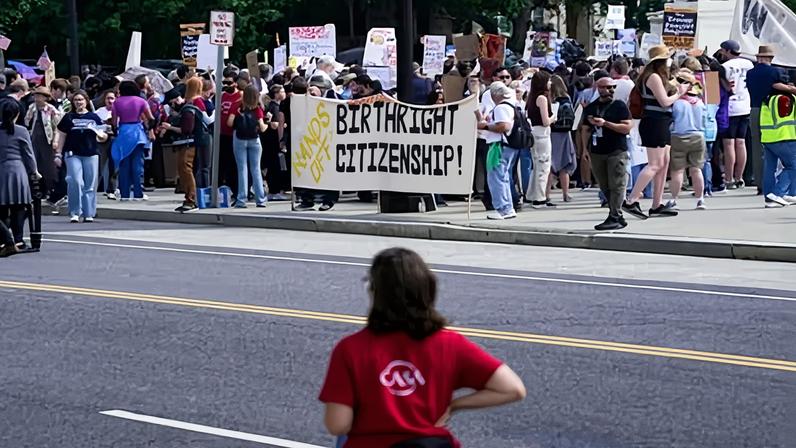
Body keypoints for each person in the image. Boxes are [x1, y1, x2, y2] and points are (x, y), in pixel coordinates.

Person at [319, 247, 525, 448]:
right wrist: (453, 405)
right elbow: (512, 389)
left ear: (376, 293)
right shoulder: (451, 344)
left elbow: (338, 424)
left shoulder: (351, 349)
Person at [624, 45, 689, 219]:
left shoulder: (659, 76)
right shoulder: (652, 77)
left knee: (664, 163)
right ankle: (631, 200)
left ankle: (656, 204)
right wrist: (680, 93)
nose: (670, 62)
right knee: (655, 164)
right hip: (654, 122)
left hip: (662, 122)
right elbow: (665, 101)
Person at [746, 44, 796, 194]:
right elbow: (780, 86)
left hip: (754, 110)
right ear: (771, 58)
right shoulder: (775, 72)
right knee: (779, 147)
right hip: (773, 111)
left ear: (758, 58)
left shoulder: (750, 73)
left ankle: (760, 184)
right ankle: (784, 187)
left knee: (759, 150)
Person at [584, 77, 633, 230]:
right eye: (607, 87)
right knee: (605, 186)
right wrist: (584, 150)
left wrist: (605, 124)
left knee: (617, 184)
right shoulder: (591, 107)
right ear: (598, 88)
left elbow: (626, 127)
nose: (611, 90)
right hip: (598, 150)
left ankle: (615, 216)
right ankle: (616, 215)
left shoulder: (619, 106)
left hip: (616, 150)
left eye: (613, 87)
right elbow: (584, 129)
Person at [55, 90, 108, 223]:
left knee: (89, 184)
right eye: (76, 100)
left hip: (91, 153)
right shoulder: (68, 117)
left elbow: (103, 135)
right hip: (73, 153)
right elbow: (62, 135)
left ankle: (88, 212)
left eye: (81, 100)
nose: (79, 102)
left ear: (86, 101)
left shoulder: (94, 117)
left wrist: (101, 135)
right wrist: (58, 153)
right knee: (75, 181)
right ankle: (75, 212)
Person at [0, 100, 40, 256]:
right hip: (17, 170)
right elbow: (28, 154)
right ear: (18, 114)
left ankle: (5, 240)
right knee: (19, 208)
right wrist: (34, 171)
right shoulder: (21, 130)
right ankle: (18, 240)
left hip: (1, 170)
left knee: (2, 209)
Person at [477, 82, 519, 220]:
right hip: (507, 145)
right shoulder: (511, 105)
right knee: (503, 177)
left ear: (494, 94)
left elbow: (503, 126)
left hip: (498, 145)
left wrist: (486, 126)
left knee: (496, 177)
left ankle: (503, 208)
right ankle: (507, 207)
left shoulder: (501, 107)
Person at [667, 73, 707, 211]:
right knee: (696, 170)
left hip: (679, 136)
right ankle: (700, 199)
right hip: (698, 136)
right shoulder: (700, 103)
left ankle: (674, 200)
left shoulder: (677, 103)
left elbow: (671, 122)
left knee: (677, 171)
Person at [720, 40, 755, 190]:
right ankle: (740, 177)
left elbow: (726, 87)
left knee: (729, 143)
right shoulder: (749, 64)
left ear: (728, 51)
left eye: (723, 51)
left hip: (731, 106)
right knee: (741, 142)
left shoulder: (724, 67)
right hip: (745, 104)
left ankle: (729, 178)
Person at [111, 81, 154, 201]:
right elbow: (151, 118)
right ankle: (138, 193)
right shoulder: (141, 101)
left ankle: (124, 194)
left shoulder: (117, 102)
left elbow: (114, 122)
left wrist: (115, 131)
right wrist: (149, 129)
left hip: (124, 132)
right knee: (138, 165)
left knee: (124, 164)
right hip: (137, 133)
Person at [227, 85, 267, 208]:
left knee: (242, 169)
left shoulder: (237, 106)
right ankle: (260, 199)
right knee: (256, 169)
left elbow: (229, 123)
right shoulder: (258, 109)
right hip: (254, 140)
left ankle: (241, 200)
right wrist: (268, 124)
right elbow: (262, 128)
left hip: (239, 139)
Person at [24, 87, 63, 210]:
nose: (37, 99)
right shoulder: (32, 108)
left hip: (48, 140)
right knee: (36, 163)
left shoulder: (51, 110)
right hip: (35, 138)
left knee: (48, 165)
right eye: (36, 96)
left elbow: (58, 127)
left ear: (45, 97)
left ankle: (50, 189)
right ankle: (37, 190)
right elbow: (27, 122)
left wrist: (56, 140)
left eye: (40, 96)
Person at [526, 71, 557, 208]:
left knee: (537, 165)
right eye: (548, 81)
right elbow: (545, 121)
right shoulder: (542, 98)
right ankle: (539, 197)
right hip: (542, 134)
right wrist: (554, 117)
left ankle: (531, 194)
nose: (550, 83)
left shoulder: (532, 97)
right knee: (543, 166)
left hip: (535, 132)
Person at [759, 93, 796, 207]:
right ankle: (777, 193)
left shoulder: (768, 98)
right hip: (785, 136)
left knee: (770, 168)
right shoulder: (788, 98)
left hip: (768, 137)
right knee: (793, 166)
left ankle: (769, 196)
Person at [549, 75, 577, 202]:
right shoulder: (567, 98)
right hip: (565, 133)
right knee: (565, 165)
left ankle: (546, 194)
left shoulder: (549, 99)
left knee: (550, 165)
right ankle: (566, 194)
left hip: (552, 133)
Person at [219, 70, 242, 194]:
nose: (226, 85)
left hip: (234, 134)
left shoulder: (240, 96)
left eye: (229, 82)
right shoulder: (222, 95)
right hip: (222, 134)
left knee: (234, 164)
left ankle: (236, 188)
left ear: (235, 83)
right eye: (224, 82)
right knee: (223, 163)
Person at [94, 91, 117, 199]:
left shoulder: (118, 111)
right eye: (108, 98)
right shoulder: (99, 112)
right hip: (102, 140)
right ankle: (94, 188)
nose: (110, 101)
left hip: (114, 138)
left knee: (114, 165)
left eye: (112, 98)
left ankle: (111, 189)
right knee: (100, 165)